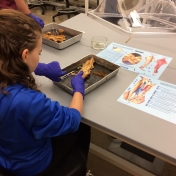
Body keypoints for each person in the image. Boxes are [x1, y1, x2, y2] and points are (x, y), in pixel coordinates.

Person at [0, 9, 90, 176]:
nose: (39, 57)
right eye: (39, 53)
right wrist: (78, 89)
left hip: (4, 154)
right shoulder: (28, 102)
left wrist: (37, 68)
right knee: (84, 127)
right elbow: (72, 120)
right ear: (25, 55)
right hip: (30, 166)